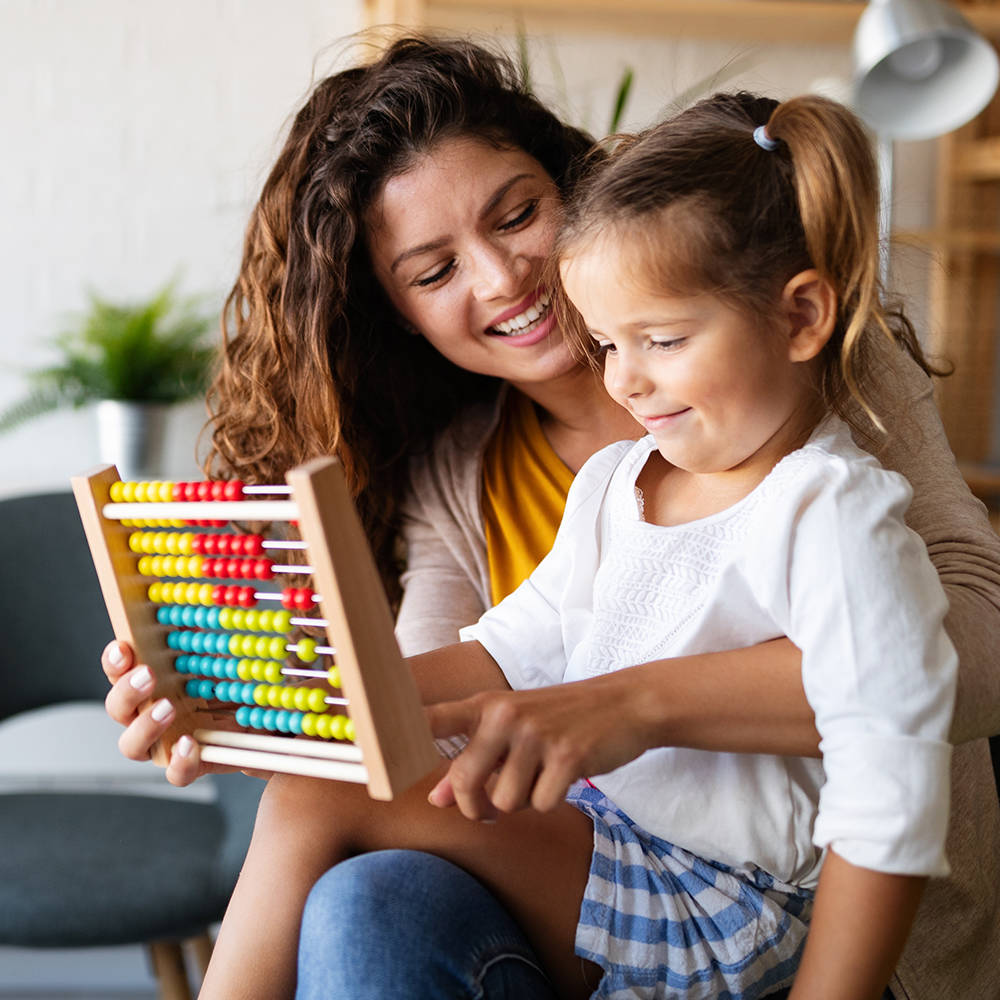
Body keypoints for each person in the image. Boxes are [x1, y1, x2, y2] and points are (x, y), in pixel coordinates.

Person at [99, 36, 1000, 1000]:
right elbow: (464, 692)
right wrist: (254, 702)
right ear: (397, 311)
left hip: (775, 903)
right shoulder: (598, 480)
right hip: (616, 871)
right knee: (360, 880)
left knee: (340, 839)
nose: (500, 279)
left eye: (519, 214)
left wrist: (627, 705)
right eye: (435, 270)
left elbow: (952, 672)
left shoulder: (815, 420)